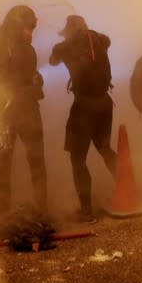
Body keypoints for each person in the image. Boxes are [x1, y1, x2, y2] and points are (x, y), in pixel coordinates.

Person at [0, 5, 48, 215]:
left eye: (32, 29)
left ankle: (42, 210)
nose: (31, 33)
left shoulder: (28, 49)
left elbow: (32, 75)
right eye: (28, 28)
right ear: (16, 26)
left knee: (37, 161)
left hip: (28, 111)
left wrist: (37, 81)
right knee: (2, 164)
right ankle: (3, 213)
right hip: (4, 114)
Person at [49, 15, 116, 223]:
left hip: (84, 107)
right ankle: (128, 192)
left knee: (77, 159)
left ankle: (86, 212)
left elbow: (52, 61)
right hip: (105, 104)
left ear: (68, 30)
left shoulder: (65, 47)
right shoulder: (100, 41)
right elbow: (107, 41)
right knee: (105, 148)